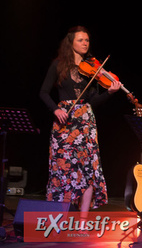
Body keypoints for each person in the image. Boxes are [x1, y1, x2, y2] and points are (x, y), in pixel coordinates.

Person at [39, 26, 122, 219]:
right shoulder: (58, 64)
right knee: (63, 169)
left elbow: (92, 101)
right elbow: (43, 92)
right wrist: (56, 109)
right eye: (80, 40)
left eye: (87, 40)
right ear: (71, 43)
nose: (85, 43)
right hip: (64, 123)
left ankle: (83, 221)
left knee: (88, 171)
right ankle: (60, 218)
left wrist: (109, 93)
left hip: (85, 122)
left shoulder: (93, 68)